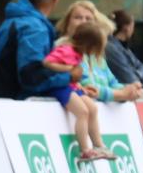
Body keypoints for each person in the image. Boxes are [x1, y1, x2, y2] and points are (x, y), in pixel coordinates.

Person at [41, 21, 116, 163]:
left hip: (72, 85)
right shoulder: (65, 50)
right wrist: (68, 70)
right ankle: (85, 150)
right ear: (88, 45)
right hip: (61, 87)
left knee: (92, 108)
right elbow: (47, 62)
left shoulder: (78, 53)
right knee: (82, 112)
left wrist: (77, 83)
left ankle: (98, 145)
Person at [53, 0, 143, 103]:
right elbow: (87, 88)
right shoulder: (62, 49)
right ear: (67, 25)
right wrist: (121, 94)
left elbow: (111, 82)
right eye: (78, 17)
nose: (83, 21)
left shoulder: (96, 55)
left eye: (88, 18)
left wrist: (129, 90)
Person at [105, 9, 143, 86]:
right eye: (133, 26)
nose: (133, 30)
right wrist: (137, 75)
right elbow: (130, 79)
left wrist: (136, 75)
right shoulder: (111, 49)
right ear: (127, 27)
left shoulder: (125, 49)